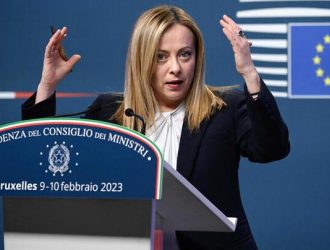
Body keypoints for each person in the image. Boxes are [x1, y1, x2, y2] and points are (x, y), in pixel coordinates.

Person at [22, 5, 290, 249]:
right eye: (161, 57)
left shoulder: (224, 108)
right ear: (142, 60)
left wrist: (250, 74)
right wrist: (47, 86)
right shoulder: (110, 112)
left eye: (185, 54)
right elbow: (46, 169)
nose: (175, 68)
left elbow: (272, 149)